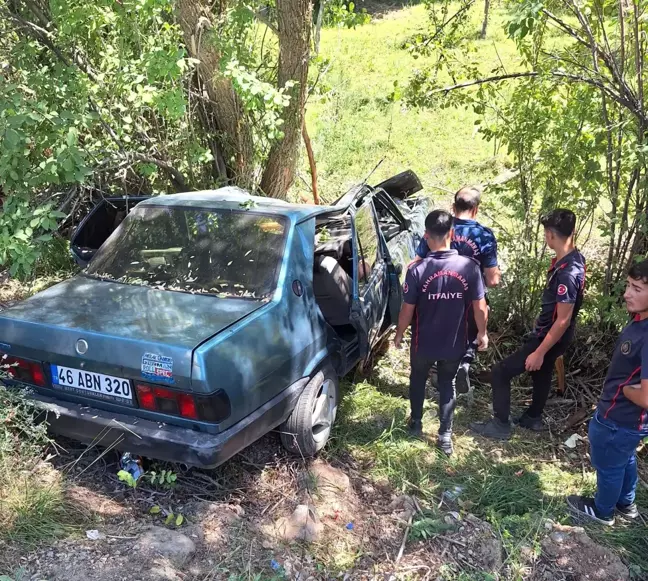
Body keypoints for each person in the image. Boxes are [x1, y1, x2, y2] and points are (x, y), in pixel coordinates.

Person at [470, 209, 586, 440]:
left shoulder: (568, 274)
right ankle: (533, 417)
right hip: (553, 334)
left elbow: (562, 320)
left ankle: (500, 424)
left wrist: (540, 350)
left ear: (550, 236)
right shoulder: (573, 259)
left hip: (549, 337)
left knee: (501, 372)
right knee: (541, 372)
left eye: (546, 233)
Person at [394, 210, 489, 455]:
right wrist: (482, 333)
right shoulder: (469, 267)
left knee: (417, 378)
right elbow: (480, 307)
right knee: (447, 383)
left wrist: (399, 333)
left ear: (426, 236)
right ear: (452, 234)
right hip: (454, 341)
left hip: (423, 341)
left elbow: (407, 309)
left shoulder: (417, 270)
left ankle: (415, 424)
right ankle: (445, 436)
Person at [567, 260, 648, 525]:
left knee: (609, 465)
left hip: (620, 418)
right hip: (627, 422)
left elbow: (646, 396)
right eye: (628, 285)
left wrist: (625, 390)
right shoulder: (639, 320)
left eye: (636, 288)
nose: (627, 293)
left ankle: (602, 512)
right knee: (624, 459)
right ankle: (626, 505)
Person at [412, 186, 501, 393]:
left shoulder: (439, 227)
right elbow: (493, 280)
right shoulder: (484, 236)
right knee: (470, 333)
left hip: (435, 295)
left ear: (453, 207)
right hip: (469, 299)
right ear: (476, 209)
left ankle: (436, 369)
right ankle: (463, 364)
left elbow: (417, 262)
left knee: (438, 332)